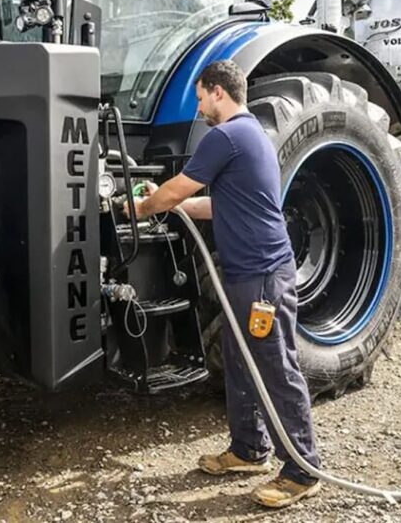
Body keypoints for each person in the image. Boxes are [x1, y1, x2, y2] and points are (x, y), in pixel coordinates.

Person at [124, 59, 322, 509]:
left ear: (218, 92)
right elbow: (216, 205)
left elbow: (174, 190)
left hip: (262, 279)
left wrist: (138, 208)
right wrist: (171, 207)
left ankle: (302, 469)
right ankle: (249, 450)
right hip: (247, 275)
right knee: (239, 360)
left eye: (200, 98)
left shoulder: (226, 136)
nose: (199, 108)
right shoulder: (252, 137)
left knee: (274, 366)